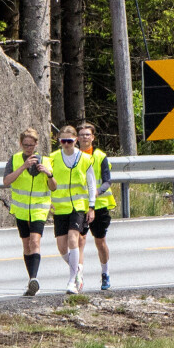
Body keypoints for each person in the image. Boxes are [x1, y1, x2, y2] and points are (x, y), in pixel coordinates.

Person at [3, 128, 56, 296]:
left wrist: (49, 174)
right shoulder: (15, 159)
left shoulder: (46, 161)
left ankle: (34, 278)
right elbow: (6, 181)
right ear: (20, 144)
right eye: (25, 145)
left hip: (39, 209)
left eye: (31, 145)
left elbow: (54, 186)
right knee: (26, 244)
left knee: (35, 242)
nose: (28, 148)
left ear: (36, 144)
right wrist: (23, 167)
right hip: (21, 209)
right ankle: (31, 279)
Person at [49, 125, 96, 294]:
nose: (66, 144)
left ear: (75, 140)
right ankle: (78, 271)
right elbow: (48, 181)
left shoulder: (84, 159)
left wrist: (91, 207)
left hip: (78, 206)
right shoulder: (53, 158)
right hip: (60, 207)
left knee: (73, 239)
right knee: (62, 247)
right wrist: (48, 201)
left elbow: (91, 184)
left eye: (69, 141)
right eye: (63, 141)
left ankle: (72, 282)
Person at [76, 123, 113, 290]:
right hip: (80, 205)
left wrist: (98, 191)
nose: (84, 137)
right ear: (77, 138)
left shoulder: (99, 156)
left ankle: (105, 273)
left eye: (87, 135)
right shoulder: (73, 156)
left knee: (100, 242)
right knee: (79, 241)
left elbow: (107, 180)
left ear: (93, 137)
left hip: (99, 205)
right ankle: (78, 276)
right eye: (82, 134)